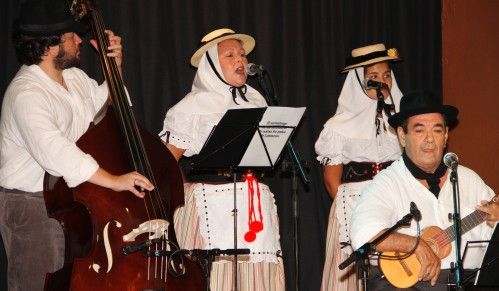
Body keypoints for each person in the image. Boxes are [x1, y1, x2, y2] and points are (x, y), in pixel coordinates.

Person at [0, 0, 154, 290]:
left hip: (67, 200)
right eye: (72, 36)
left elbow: (104, 109)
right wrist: (114, 181)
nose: (80, 39)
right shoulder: (26, 93)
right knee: (38, 284)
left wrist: (114, 67)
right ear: (51, 45)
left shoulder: (74, 77)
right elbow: (56, 152)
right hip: (31, 205)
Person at [159, 28, 284, 290]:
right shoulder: (191, 107)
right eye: (230, 55)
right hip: (211, 203)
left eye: (242, 54)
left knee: (256, 277)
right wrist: (186, 193)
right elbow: (165, 162)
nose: (241, 60)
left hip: (252, 201)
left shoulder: (256, 99)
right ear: (212, 65)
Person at [350, 91, 497, 290]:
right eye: (419, 130)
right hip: (410, 285)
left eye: (437, 130)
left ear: (445, 136)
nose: (429, 139)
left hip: (471, 282)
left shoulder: (469, 179)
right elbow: (363, 234)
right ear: (402, 136)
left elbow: (490, 236)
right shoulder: (386, 183)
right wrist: (416, 245)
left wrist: (495, 219)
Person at [315, 43, 403, 291]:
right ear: (358, 81)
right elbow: (333, 180)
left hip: (394, 202)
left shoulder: (402, 118)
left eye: (386, 75)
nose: (382, 82)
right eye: (373, 77)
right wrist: (357, 215)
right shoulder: (338, 126)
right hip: (353, 204)